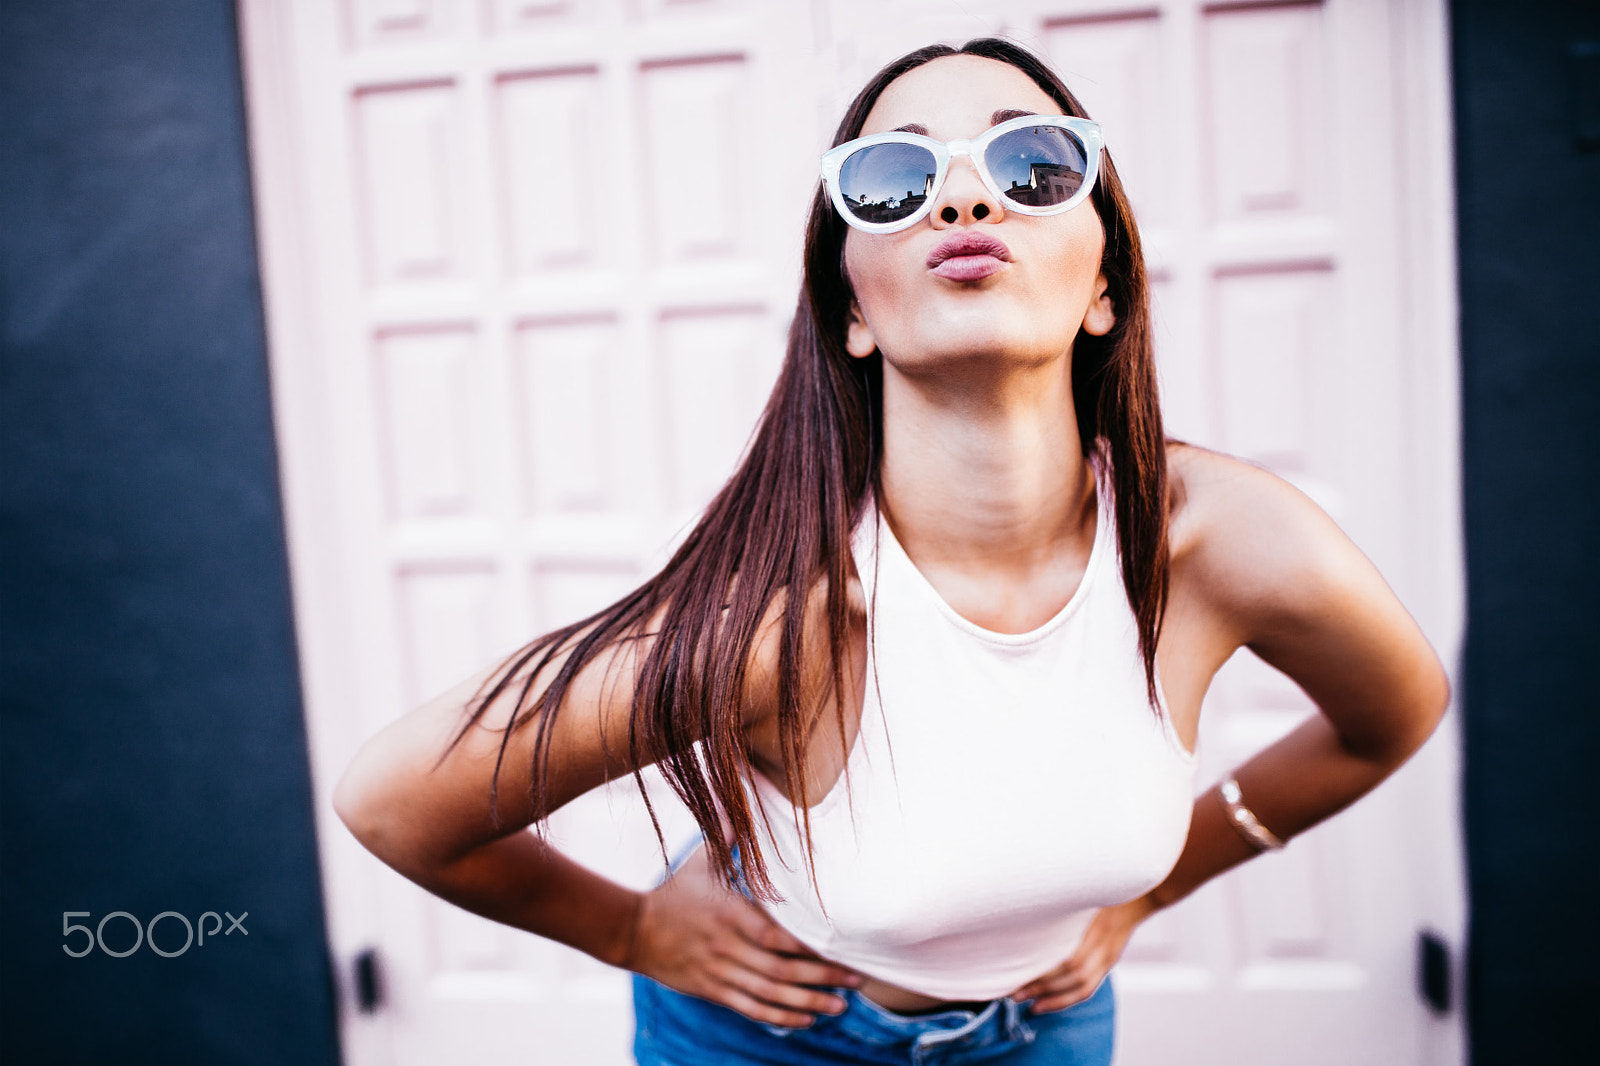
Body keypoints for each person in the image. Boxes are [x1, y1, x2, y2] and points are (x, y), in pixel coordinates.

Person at [334, 38, 1450, 1066]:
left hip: (1049, 1028)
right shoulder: (790, 619)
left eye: (1033, 163)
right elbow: (397, 801)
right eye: (892, 181)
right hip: (768, 1036)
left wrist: (1154, 894)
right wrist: (627, 926)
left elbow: (1391, 715)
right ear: (851, 308)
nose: (964, 194)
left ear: (1106, 284)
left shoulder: (1217, 542)